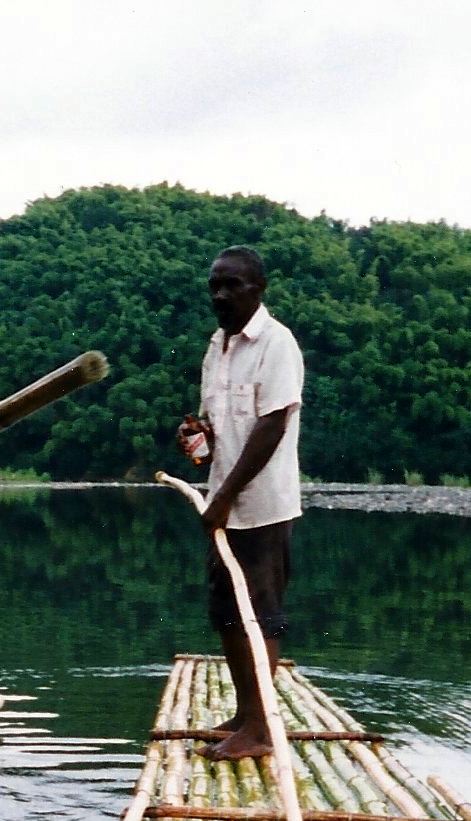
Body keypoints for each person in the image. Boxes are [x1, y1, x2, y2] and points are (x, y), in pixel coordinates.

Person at [176, 245, 304, 759]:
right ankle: (247, 714)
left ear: (259, 289)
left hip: (261, 506)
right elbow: (219, 426)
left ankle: (261, 729)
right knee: (227, 611)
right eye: (215, 286)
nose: (220, 295)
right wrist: (196, 437)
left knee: (260, 613)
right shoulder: (218, 346)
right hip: (223, 502)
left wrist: (224, 496)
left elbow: (273, 424)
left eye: (232, 285)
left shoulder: (277, 344)